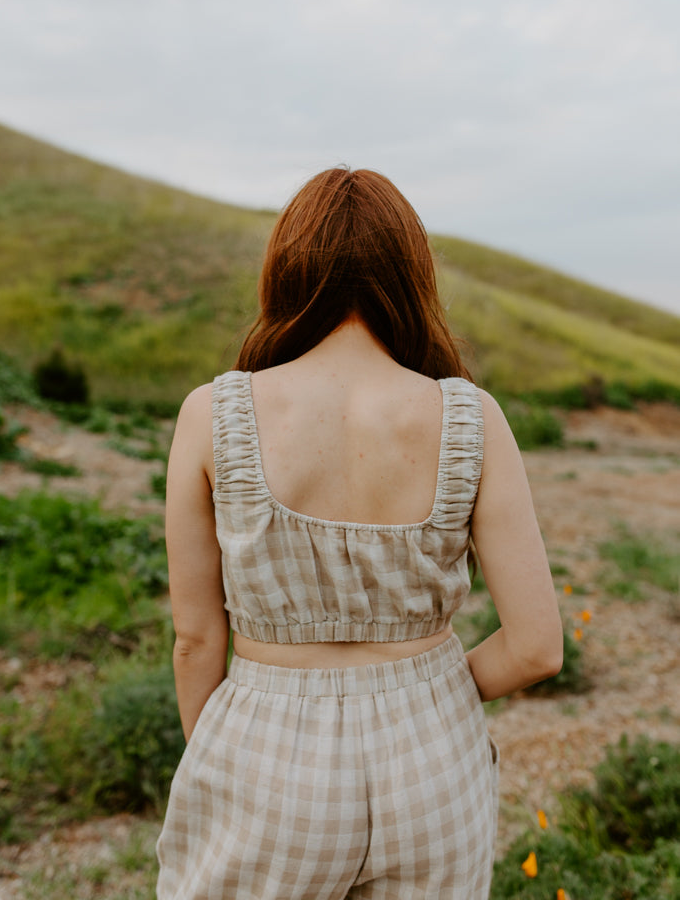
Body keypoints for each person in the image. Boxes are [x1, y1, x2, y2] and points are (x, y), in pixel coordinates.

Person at [156, 167, 563, 899]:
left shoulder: (212, 414)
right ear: (412, 274)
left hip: (266, 745)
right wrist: (425, 692)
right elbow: (535, 647)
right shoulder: (472, 418)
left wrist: (215, 750)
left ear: (286, 269)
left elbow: (194, 638)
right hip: (433, 755)